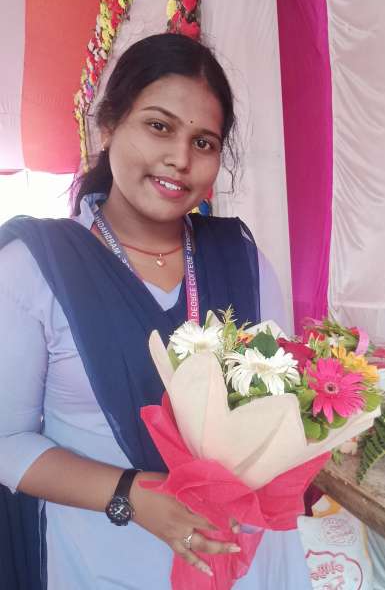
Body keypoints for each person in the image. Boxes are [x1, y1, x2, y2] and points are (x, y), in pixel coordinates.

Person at [0, 34, 310, 589]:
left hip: (239, 554)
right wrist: (130, 495)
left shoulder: (241, 257)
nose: (180, 159)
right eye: (159, 126)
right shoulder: (34, 266)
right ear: (108, 125)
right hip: (102, 556)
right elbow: (6, 442)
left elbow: (280, 401)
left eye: (203, 142)